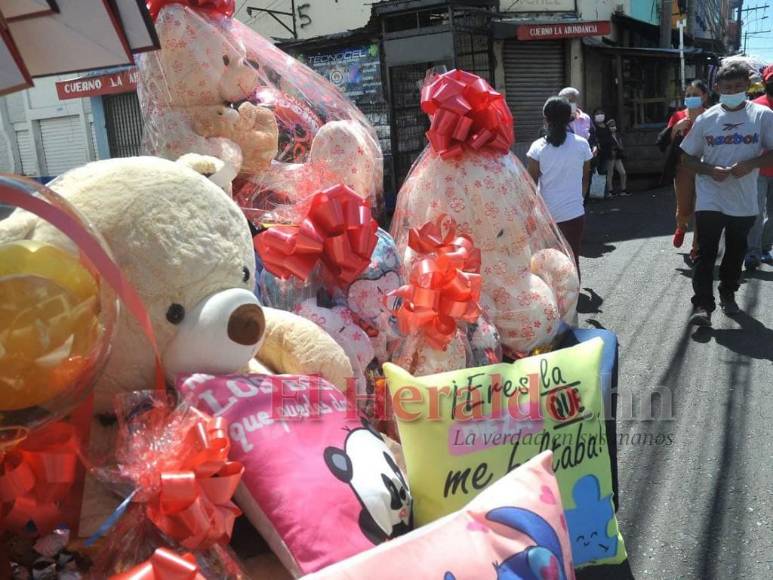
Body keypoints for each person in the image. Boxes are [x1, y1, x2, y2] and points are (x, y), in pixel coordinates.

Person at [680, 61, 773, 326]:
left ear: (748, 87)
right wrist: (709, 170)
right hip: (710, 196)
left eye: (738, 86)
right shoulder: (707, 118)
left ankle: (728, 293)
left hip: (744, 199)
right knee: (705, 251)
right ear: (717, 88)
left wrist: (751, 164)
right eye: (727, 87)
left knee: (735, 251)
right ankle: (702, 305)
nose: (733, 90)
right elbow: (687, 158)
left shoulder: (762, 116)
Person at [526, 96, 593, 278]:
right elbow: (585, 179)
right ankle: (574, 301)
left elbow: (530, 185)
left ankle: (555, 303)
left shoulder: (537, 147)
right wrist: (578, 200)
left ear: (545, 118)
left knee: (548, 264)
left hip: (547, 216)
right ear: (569, 118)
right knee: (573, 260)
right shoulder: (582, 144)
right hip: (574, 213)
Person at [667, 79, 711, 260]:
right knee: (684, 206)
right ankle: (682, 225)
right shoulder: (677, 116)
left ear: (705, 96)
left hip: (705, 167)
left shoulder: (712, 116)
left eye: (696, 95)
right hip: (683, 167)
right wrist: (677, 128)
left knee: (702, 209)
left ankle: (696, 248)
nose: (692, 98)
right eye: (688, 95)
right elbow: (668, 143)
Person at [746, 64, 773, 270]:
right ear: (765, 82)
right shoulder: (753, 106)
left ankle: (765, 247)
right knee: (755, 212)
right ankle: (752, 252)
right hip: (757, 170)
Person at [605, 119, 629, 197]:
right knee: (610, 174)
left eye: (614, 125)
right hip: (610, 157)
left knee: (623, 172)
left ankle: (623, 190)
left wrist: (619, 147)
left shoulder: (618, 135)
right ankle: (610, 191)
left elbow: (621, 146)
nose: (613, 127)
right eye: (611, 126)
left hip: (617, 156)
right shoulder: (607, 136)